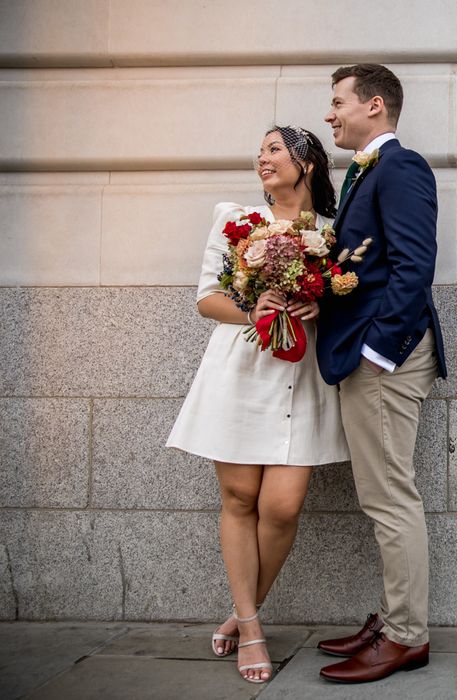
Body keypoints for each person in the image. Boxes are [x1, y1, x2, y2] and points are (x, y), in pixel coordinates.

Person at [166, 125, 349, 685]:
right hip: (241, 371)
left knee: (283, 506)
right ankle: (251, 625)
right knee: (240, 496)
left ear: (308, 163)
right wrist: (254, 311)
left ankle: (239, 610)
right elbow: (206, 298)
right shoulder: (235, 219)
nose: (263, 159)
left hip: (302, 379)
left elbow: (349, 292)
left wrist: (325, 308)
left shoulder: (332, 232)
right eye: (261, 150)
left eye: (275, 149)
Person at [315, 64, 448, 683]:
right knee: (380, 495)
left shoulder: (400, 166)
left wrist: (377, 353)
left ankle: (406, 637)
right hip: (366, 354)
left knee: (390, 496)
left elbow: (414, 267)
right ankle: (395, 619)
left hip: (385, 359)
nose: (329, 114)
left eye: (338, 102)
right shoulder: (363, 172)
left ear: (374, 105)